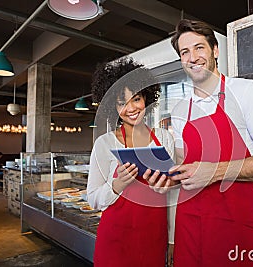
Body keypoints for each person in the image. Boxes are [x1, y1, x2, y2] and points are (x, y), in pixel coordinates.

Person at [145, 19, 253, 266]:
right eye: (185, 52)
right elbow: (183, 168)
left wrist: (214, 172)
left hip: (232, 227)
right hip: (189, 224)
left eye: (199, 47)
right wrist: (166, 180)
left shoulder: (246, 91)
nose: (193, 57)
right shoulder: (181, 109)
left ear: (214, 50)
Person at [87, 57, 176, 267]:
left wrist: (172, 240)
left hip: (154, 237)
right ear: (113, 107)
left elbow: (173, 196)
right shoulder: (104, 144)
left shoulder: (164, 138)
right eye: (121, 102)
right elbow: (93, 200)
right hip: (115, 240)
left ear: (146, 97)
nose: (131, 108)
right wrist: (116, 185)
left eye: (136, 98)